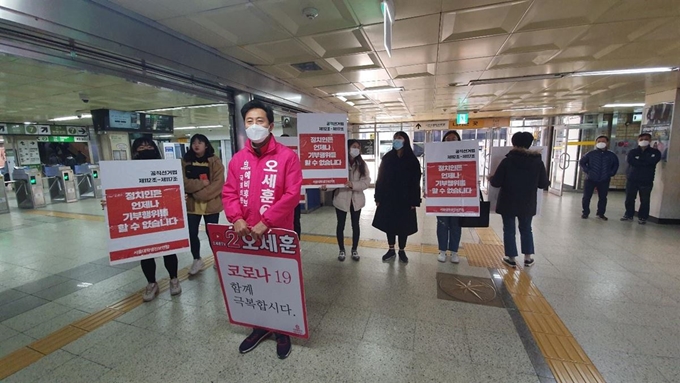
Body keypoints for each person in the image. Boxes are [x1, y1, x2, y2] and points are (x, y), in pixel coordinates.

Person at [222, 100, 302, 360]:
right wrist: (235, 218)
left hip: (276, 234)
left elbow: (291, 195)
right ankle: (259, 327)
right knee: (254, 281)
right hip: (247, 235)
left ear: (270, 124)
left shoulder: (287, 157)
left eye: (260, 121)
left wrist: (266, 222)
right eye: (249, 122)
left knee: (279, 282)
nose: (254, 126)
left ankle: (282, 330)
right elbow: (229, 192)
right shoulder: (238, 160)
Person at [101, 138, 181, 301]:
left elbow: (173, 189)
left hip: (162, 216)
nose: (145, 149)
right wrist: (110, 201)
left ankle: (174, 279)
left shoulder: (166, 168)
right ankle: (151, 283)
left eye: (148, 146)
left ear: (155, 149)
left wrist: (180, 197)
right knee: (145, 251)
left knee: (169, 249)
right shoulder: (126, 171)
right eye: (141, 146)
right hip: (142, 218)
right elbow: (122, 192)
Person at [490, 132, 549, 268]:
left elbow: (496, 182)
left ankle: (511, 258)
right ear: (530, 144)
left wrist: (491, 177)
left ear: (514, 143)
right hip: (527, 202)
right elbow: (543, 184)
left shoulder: (507, 161)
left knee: (509, 229)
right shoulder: (537, 162)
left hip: (508, 201)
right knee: (526, 228)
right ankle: (528, 258)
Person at [372, 131, 421, 264]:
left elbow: (416, 181)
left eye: (399, 138)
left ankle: (402, 250)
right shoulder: (387, 158)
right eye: (395, 138)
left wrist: (414, 200)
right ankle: (391, 249)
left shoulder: (412, 160)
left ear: (405, 140)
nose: (396, 141)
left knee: (403, 225)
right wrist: (378, 197)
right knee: (390, 224)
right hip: (389, 197)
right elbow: (380, 178)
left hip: (406, 199)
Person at [182, 134, 225, 275]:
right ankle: (197, 259)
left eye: (200, 142)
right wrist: (201, 184)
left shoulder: (215, 161)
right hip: (192, 206)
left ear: (206, 145)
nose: (196, 145)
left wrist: (197, 192)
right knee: (192, 233)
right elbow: (183, 182)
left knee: (212, 233)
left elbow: (218, 184)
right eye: (194, 142)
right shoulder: (185, 161)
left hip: (211, 205)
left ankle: (218, 258)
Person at [324, 140, 371, 262]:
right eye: (353, 146)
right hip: (341, 198)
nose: (356, 149)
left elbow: (366, 182)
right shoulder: (339, 162)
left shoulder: (362, 164)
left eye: (358, 147)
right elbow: (334, 181)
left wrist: (353, 185)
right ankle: (341, 250)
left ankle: (354, 249)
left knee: (355, 225)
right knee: (341, 225)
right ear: (348, 148)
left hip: (356, 200)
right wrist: (326, 187)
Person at [621, 133, 662, 224]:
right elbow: (632, 162)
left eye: (646, 139)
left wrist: (640, 161)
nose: (644, 141)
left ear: (650, 140)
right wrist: (645, 162)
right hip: (632, 179)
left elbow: (653, 162)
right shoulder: (632, 152)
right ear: (638, 141)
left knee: (645, 199)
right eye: (641, 139)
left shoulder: (655, 152)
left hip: (646, 180)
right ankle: (628, 214)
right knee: (630, 198)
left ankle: (643, 217)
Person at [436, 130, 463, 263]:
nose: (451, 141)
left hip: (459, 197)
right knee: (442, 224)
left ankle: (454, 251)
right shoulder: (437, 155)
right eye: (448, 139)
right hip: (442, 196)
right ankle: (442, 250)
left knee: (456, 225)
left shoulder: (465, 156)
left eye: (454, 138)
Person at [579, 135, 619, 220]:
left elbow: (615, 165)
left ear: (607, 143)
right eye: (599, 141)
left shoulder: (611, 155)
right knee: (586, 197)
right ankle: (585, 212)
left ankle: (601, 213)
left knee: (603, 197)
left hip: (604, 179)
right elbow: (582, 162)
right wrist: (587, 171)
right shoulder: (590, 154)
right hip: (590, 179)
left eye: (603, 141)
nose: (601, 143)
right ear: (596, 143)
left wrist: (611, 173)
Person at [280, 134, 302, 238]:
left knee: (295, 221)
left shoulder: (295, 158)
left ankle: (296, 243)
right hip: (278, 198)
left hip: (293, 198)